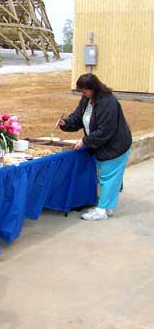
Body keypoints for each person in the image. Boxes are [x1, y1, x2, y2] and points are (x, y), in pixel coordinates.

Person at [58, 73, 132, 221]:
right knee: (108, 177)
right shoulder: (87, 99)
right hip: (103, 144)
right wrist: (65, 123)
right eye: (81, 91)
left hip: (116, 146)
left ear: (94, 88)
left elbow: (105, 131)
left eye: (85, 91)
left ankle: (102, 210)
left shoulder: (108, 102)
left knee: (108, 178)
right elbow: (78, 117)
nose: (83, 94)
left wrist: (85, 141)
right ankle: (107, 206)